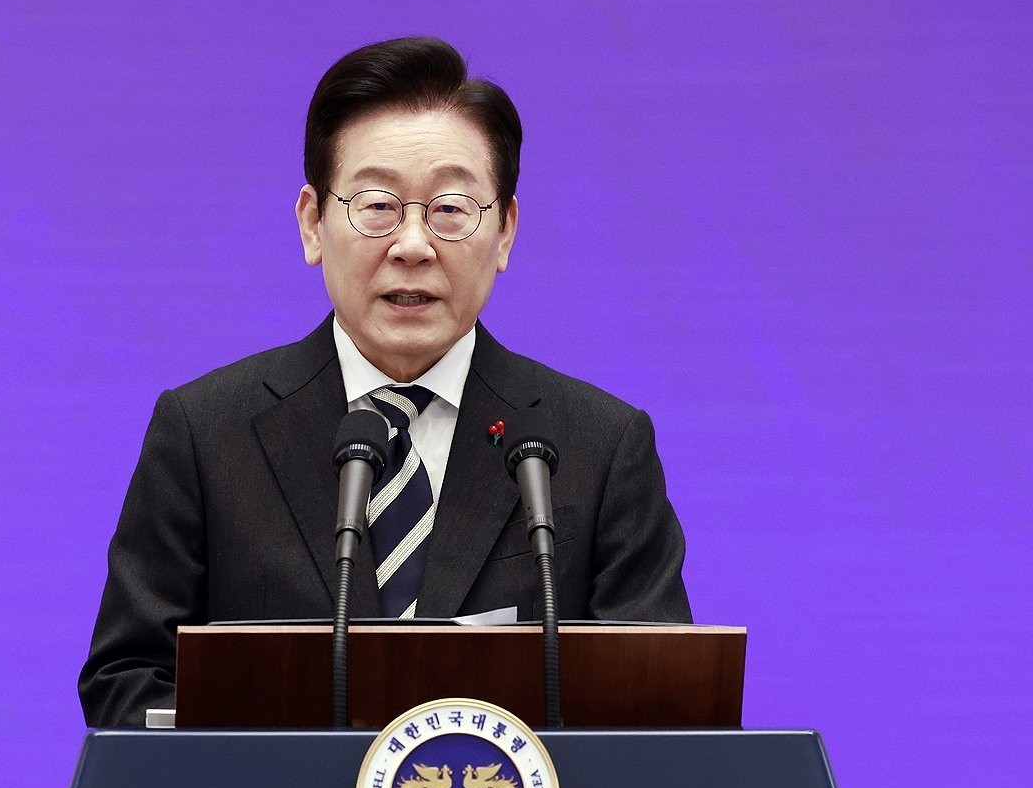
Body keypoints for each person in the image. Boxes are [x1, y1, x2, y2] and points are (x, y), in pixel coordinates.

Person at [79, 37, 691, 728]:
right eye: (376, 205)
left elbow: (657, 710)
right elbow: (127, 686)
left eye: (451, 208)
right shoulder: (205, 432)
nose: (412, 245)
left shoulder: (598, 445)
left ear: (506, 232)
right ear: (312, 224)